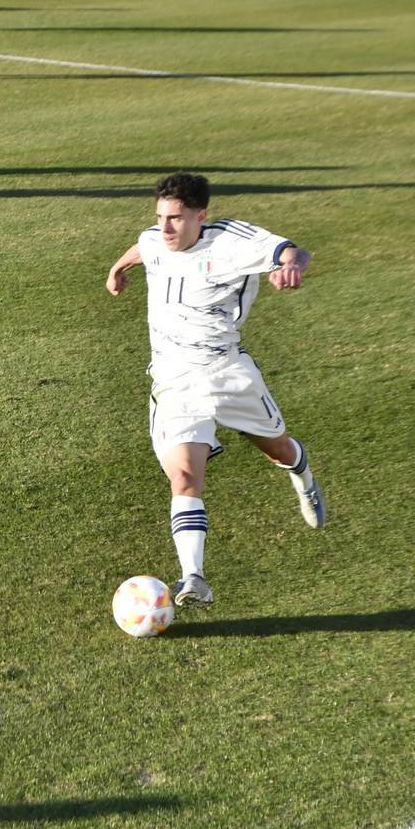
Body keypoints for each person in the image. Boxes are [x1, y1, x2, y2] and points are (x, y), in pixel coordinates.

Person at [105, 172, 324, 606]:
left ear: (201, 216)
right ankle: (194, 578)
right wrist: (117, 268)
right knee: (184, 476)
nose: (165, 228)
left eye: (176, 219)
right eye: (161, 217)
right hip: (173, 379)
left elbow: (292, 251)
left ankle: (303, 477)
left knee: (277, 449)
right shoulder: (155, 239)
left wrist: (290, 266)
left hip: (227, 372)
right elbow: (144, 246)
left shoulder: (231, 242)